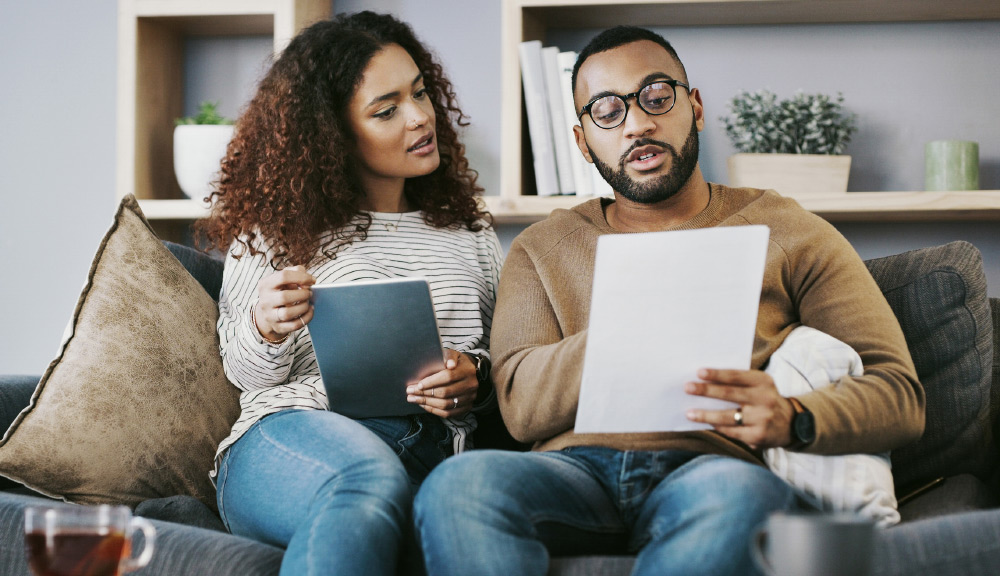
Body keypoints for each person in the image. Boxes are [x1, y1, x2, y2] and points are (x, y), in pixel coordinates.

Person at [413, 25, 924, 576]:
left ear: (695, 107)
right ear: (583, 142)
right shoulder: (541, 248)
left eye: (657, 96)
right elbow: (519, 406)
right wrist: (630, 331)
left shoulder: (791, 230)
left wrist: (793, 415)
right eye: (607, 112)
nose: (637, 123)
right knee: (460, 487)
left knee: (744, 500)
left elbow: (898, 393)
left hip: (715, 470)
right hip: (573, 472)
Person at [195, 11, 502, 576]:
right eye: (386, 110)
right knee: (366, 482)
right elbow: (246, 375)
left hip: (430, 445)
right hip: (293, 435)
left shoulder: (470, 231)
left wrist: (472, 379)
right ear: (331, 131)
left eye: (421, 93)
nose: (419, 118)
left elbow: (504, 364)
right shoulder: (276, 228)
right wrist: (267, 326)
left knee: (398, 497)